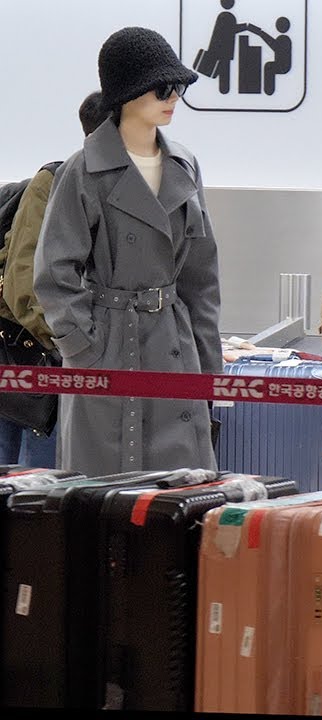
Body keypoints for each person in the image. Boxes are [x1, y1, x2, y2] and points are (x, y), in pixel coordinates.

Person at [34, 27, 222, 477]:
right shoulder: (84, 170)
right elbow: (53, 273)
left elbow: (202, 274)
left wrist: (209, 367)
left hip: (174, 344)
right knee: (104, 497)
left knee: (181, 494)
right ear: (128, 93)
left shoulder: (184, 164)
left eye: (178, 87)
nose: (173, 97)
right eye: (162, 88)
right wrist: (86, 349)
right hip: (109, 342)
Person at [0, 92, 111, 468]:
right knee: (38, 491)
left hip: (60, 360)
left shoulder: (117, 190)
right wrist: (73, 342)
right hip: (32, 357)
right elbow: (24, 284)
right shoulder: (54, 183)